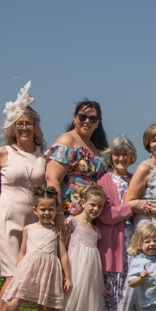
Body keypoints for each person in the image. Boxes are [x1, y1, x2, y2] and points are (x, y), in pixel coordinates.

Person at [0, 84, 47, 311]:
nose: (24, 127)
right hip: (7, 215)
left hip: (32, 218)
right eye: (19, 123)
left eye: (29, 123)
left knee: (22, 274)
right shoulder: (3, 152)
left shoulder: (42, 155)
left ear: (36, 127)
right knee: (13, 274)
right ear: (13, 126)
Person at [52, 184, 124, 311]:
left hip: (91, 272)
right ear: (83, 202)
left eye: (100, 206)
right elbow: (62, 248)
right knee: (77, 304)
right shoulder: (72, 222)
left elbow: (93, 256)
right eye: (92, 204)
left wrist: (99, 282)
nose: (96, 209)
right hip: (76, 270)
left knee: (86, 305)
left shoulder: (96, 230)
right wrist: (65, 274)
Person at [1, 186, 72, 311]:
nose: (47, 213)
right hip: (29, 272)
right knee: (11, 305)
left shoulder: (56, 231)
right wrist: (18, 273)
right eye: (43, 209)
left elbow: (63, 255)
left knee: (44, 310)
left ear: (56, 210)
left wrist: (68, 277)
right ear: (35, 210)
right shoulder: (28, 228)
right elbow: (22, 252)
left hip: (48, 273)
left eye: (51, 209)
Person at [97, 135, 156, 311]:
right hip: (112, 243)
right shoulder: (104, 181)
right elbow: (106, 215)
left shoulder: (134, 179)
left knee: (131, 287)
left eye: (125, 154)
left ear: (131, 157)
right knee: (110, 291)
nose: (121, 158)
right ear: (110, 156)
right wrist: (131, 206)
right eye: (117, 154)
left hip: (132, 241)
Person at [45, 98, 110, 236]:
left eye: (92, 118)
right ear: (75, 118)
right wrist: (58, 213)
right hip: (68, 211)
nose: (87, 121)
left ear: (98, 122)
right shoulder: (67, 140)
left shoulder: (97, 146)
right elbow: (52, 178)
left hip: (91, 213)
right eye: (82, 117)